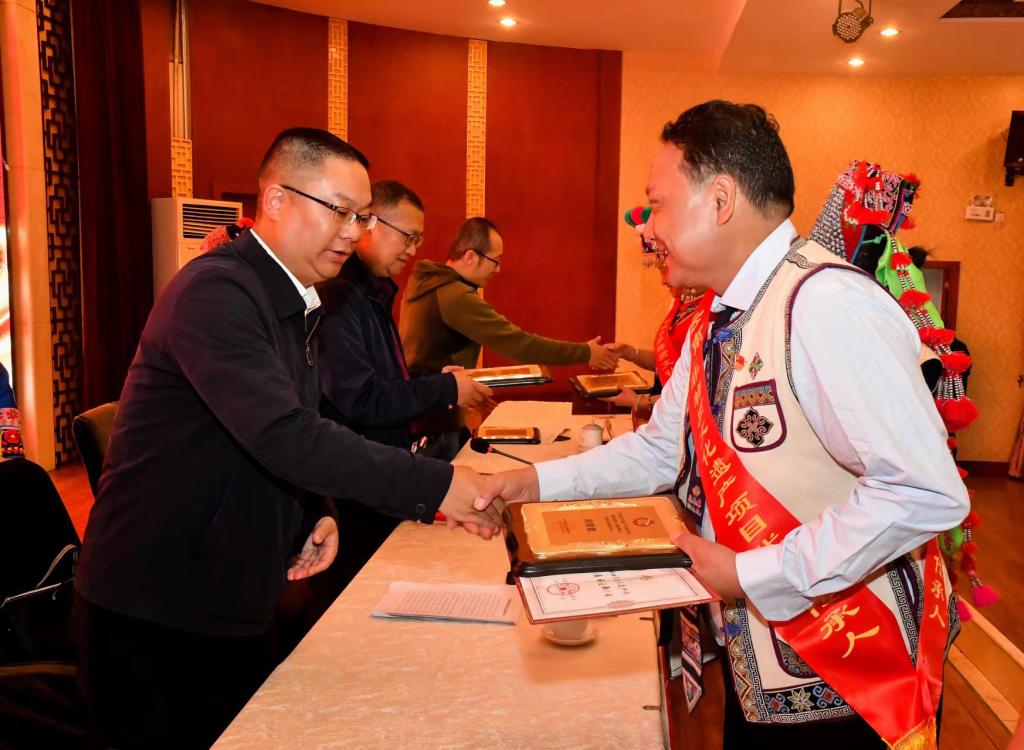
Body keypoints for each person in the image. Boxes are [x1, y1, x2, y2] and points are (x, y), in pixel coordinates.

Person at [477, 101, 968, 749]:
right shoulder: (718, 318)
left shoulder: (826, 304)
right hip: (764, 654)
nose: (649, 229)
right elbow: (660, 451)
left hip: (850, 673)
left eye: (657, 205)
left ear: (720, 199)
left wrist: (754, 575)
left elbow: (925, 492)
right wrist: (533, 484)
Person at [73, 128, 500, 750]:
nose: (353, 232)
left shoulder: (294, 299)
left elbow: (285, 424)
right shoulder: (217, 292)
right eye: (341, 211)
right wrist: (439, 485)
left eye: (362, 216)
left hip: (233, 592)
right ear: (275, 201)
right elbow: (282, 433)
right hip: (157, 607)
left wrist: (312, 512)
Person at [315, 179, 493, 594]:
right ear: (371, 224)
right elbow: (362, 399)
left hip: (377, 476)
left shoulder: (371, 295)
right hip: (354, 487)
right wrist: (446, 390)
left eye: (418, 240)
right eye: (408, 236)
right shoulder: (339, 297)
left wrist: (439, 383)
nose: (413, 250)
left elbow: (386, 384)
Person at [399, 216, 619, 375]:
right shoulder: (455, 295)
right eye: (495, 261)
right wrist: (586, 352)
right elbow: (519, 344)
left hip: (421, 401)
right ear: (470, 257)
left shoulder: (427, 282)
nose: (498, 270)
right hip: (434, 411)